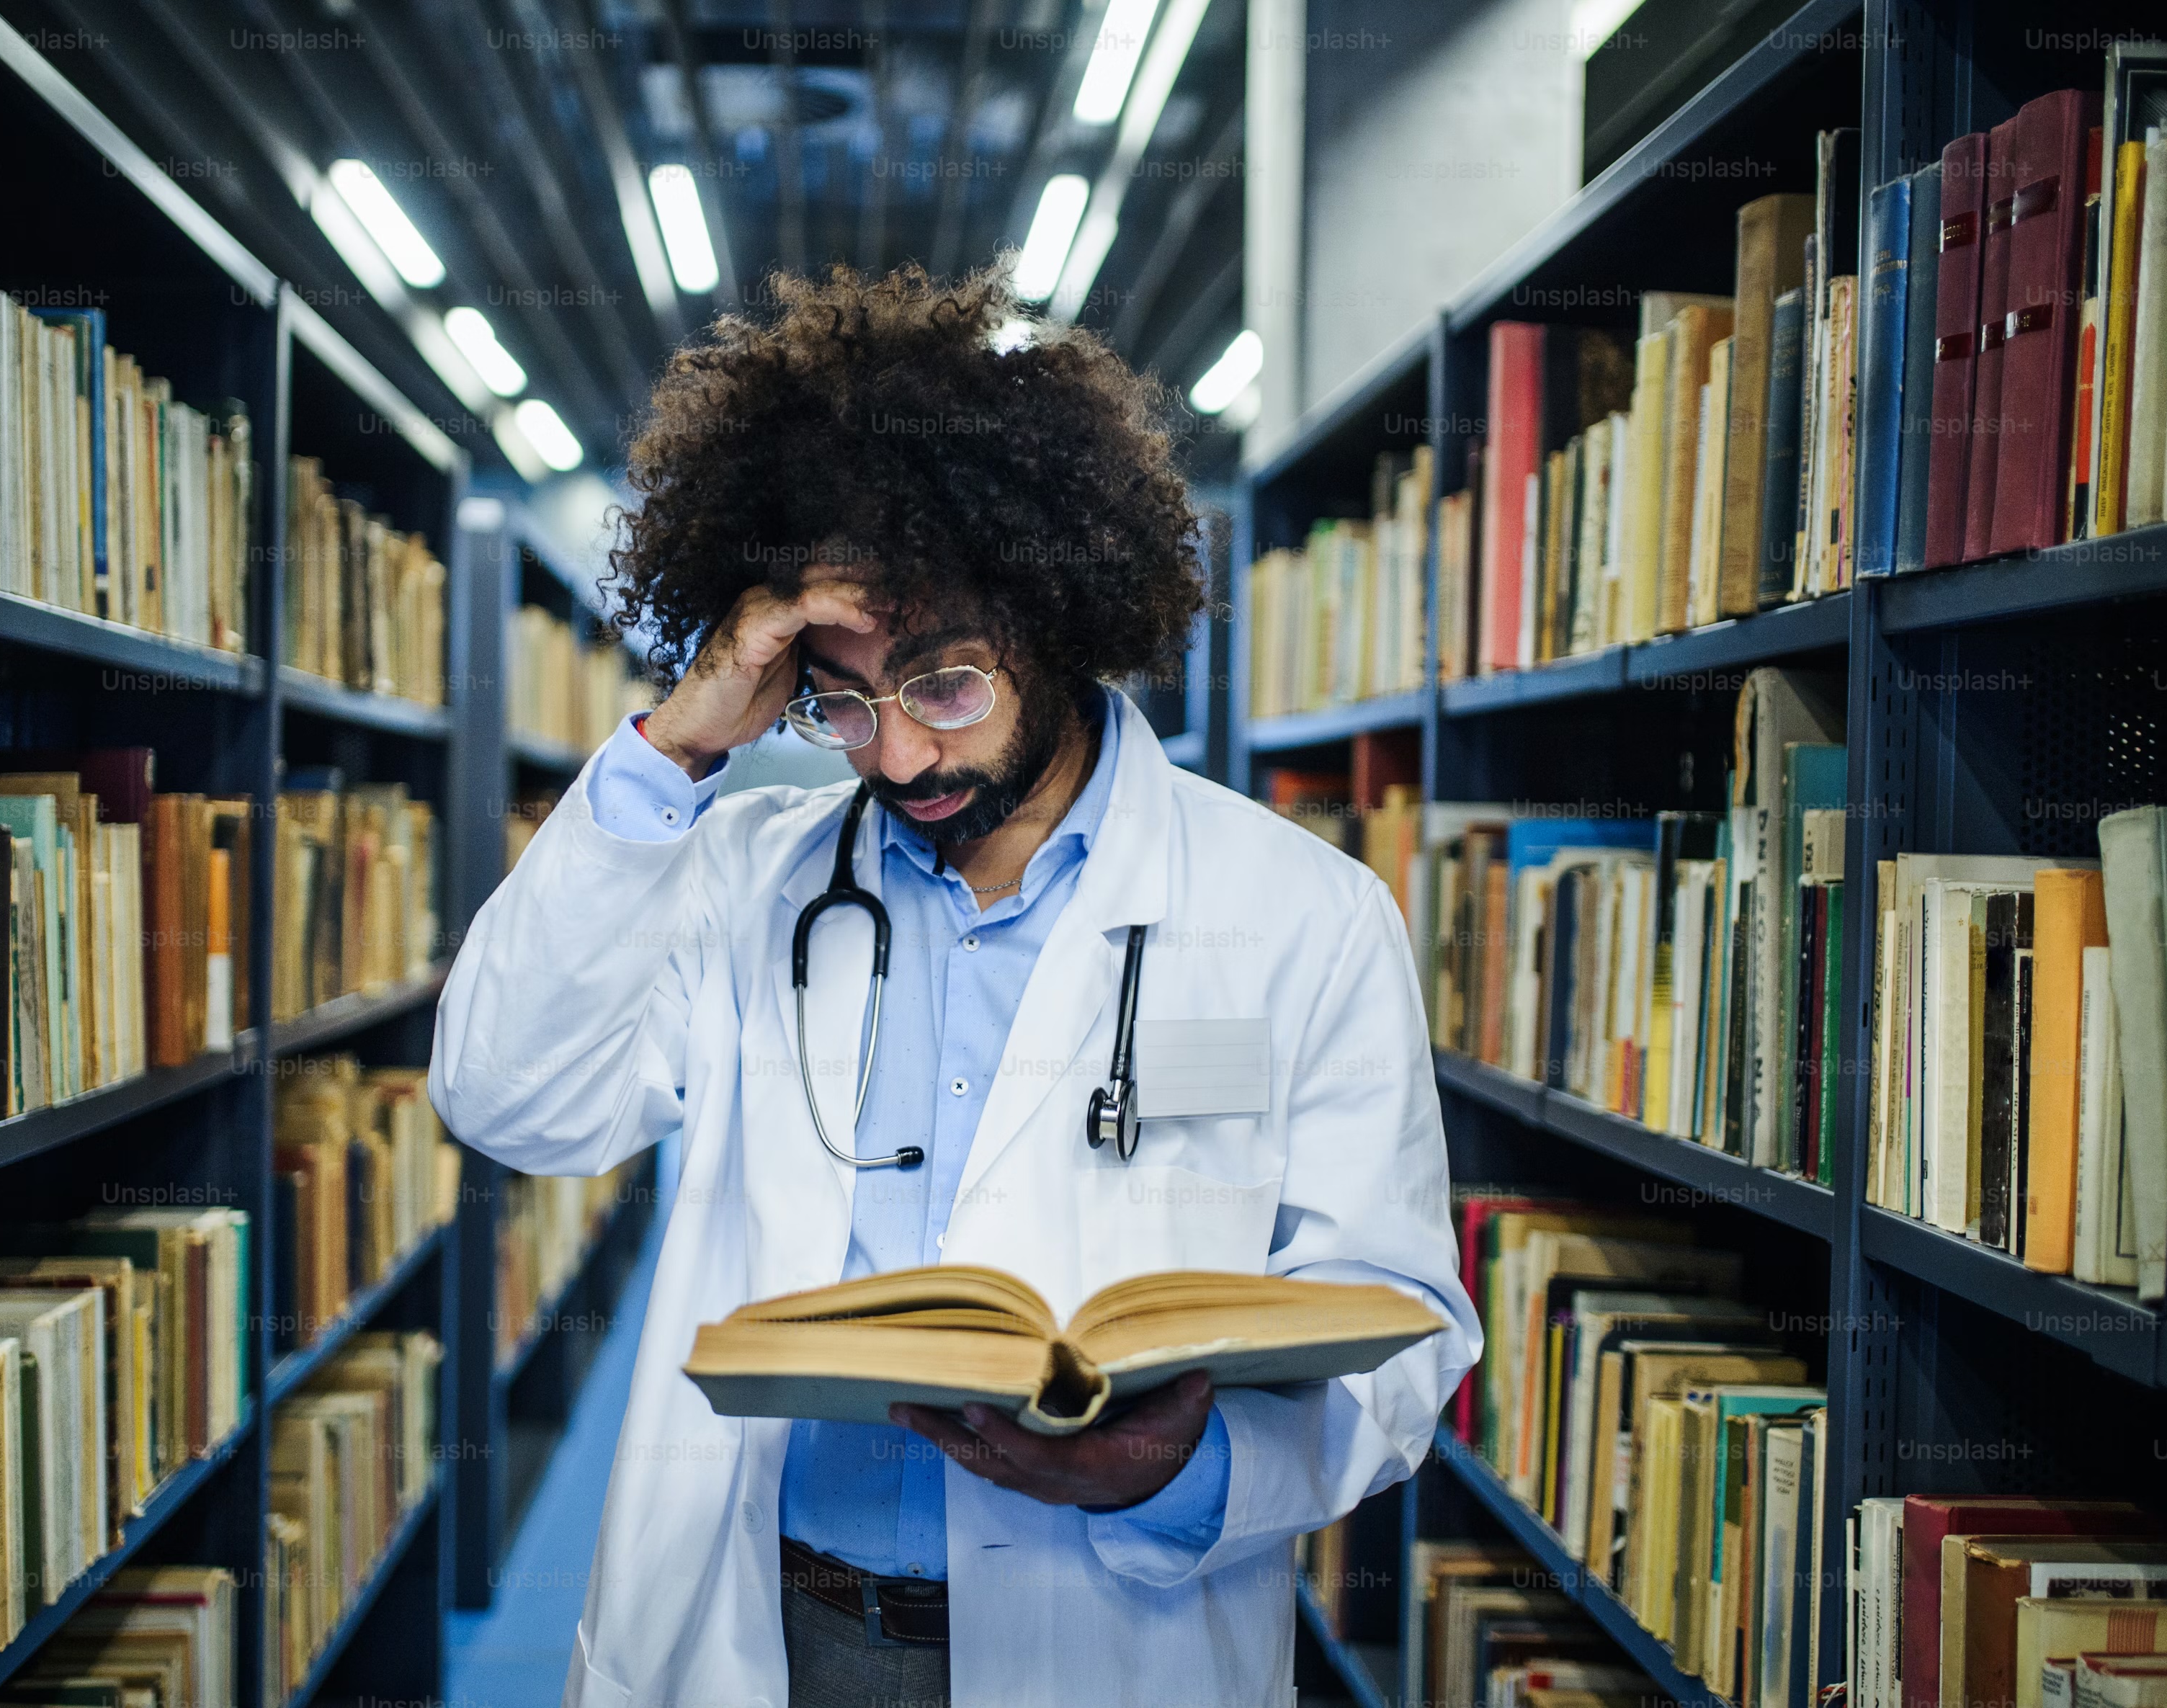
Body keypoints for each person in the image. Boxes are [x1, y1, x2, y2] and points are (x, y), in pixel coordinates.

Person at [430, 266, 1480, 1708]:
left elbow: (1396, 1321)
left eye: (944, 683)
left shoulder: (1300, 912)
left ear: (1057, 613)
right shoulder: (744, 875)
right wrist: (672, 747)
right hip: (774, 1628)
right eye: (839, 699)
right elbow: (507, 1096)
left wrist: (1192, 1462)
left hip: (1110, 1619)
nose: (895, 758)